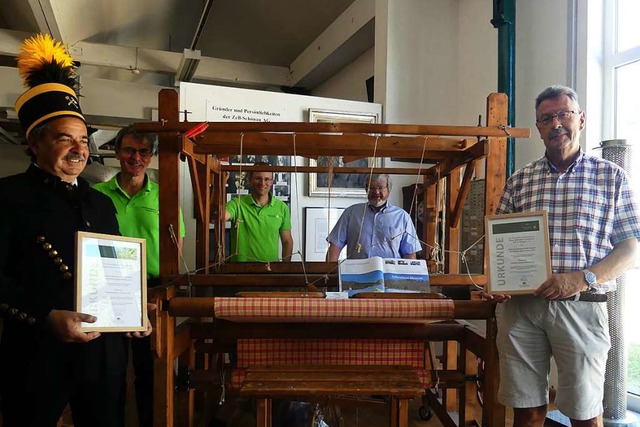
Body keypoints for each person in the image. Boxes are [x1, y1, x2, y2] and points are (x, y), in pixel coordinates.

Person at [0, 34, 151, 427]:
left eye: (83, 140)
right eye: (64, 139)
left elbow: (116, 268)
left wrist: (133, 311)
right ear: (34, 143)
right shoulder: (6, 195)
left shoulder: (100, 202)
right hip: (37, 352)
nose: (79, 149)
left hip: (104, 355)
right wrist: (45, 316)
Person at [485, 85, 640, 426]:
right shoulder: (519, 180)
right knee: (526, 411)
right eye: (546, 118)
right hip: (522, 309)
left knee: (585, 412)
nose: (556, 124)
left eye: (564, 114)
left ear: (580, 119)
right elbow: (500, 244)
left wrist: (582, 278)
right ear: (538, 127)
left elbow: (630, 249)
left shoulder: (611, 177)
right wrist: (497, 279)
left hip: (582, 307)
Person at [93, 125, 185, 427]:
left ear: (151, 156)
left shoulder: (165, 196)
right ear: (117, 152)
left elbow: (177, 246)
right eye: (129, 150)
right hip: (106, 290)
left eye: (143, 151)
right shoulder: (95, 196)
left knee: (151, 368)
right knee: (109, 368)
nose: (136, 157)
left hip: (153, 289)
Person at [327, 174, 421, 261]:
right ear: (366, 189)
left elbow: (410, 253)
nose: (376, 192)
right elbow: (335, 245)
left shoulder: (402, 217)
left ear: (389, 189)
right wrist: (329, 273)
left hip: (391, 275)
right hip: (357, 274)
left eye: (380, 188)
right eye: (372, 188)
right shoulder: (351, 213)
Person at [224, 162, 293, 262]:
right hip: (240, 273)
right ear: (250, 180)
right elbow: (220, 217)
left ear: (272, 181)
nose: (262, 183)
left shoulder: (282, 207)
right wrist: (220, 185)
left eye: (267, 179)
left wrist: (284, 271)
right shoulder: (237, 204)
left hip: (271, 272)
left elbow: (287, 241)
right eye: (258, 178)